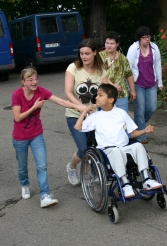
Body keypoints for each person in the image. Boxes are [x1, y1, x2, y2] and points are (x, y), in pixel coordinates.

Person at [11, 67, 86, 208]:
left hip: (36, 134)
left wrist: (79, 107)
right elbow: (18, 117)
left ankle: (45, 195)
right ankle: (24, 184)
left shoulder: (41, 91)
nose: (34, 82)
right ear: (23, 82)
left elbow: (62, 102)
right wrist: (34, 107)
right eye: (30, 79)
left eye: (36, 79)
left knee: (42, 165)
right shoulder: (17, 94)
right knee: (22, 167)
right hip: (20, 137)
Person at [74, 83, 163, 198]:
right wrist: (85, 111)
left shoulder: (121, 113)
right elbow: (77, 127)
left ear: (110, 99)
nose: (96, 97)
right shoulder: (95, 116)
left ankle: (146, 179)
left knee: (138, 146)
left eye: (100, 95)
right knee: (116, 151)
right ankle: (125, 183)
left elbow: (133, 133)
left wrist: (144, 131)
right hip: (107, 151)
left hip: (124, 147)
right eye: (97, 95)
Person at [65, 38, 121, 186]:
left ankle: (94, 173)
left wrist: (114, 86)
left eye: (87, 53)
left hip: (95, 115)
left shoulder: (100, 69)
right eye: (81, 53)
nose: (84, 57)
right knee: (83, 148)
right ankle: (71, 167)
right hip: (75, 115)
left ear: (95, 53)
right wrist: (80, 106)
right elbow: (68, 92)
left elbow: (105, 83)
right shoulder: (73, 68)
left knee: (96, 146)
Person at [127, 26, 163, 144]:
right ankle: (141, 136)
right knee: (140, 110)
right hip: (138, 84)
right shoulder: (133, 49)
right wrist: (129, 87)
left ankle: (138, 128)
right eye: (144, 37)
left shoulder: (154, 48)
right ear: (139, 38)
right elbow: (128, 69)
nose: (147, 39)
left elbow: (157, 65)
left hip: (151, 83)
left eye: (148, 36)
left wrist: (160, 82)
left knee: (152, 107)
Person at [99, 30, 136, 113]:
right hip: (104, 93)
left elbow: (129, 75)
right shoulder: (99, 56)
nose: (108, 46)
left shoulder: (123, 58)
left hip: (121, 94)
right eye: (107, 43)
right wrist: (113, 86)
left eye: (111, 44)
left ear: (117, 44)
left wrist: (132, 90)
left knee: (122, 119)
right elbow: (99, 74)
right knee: (106, 120)